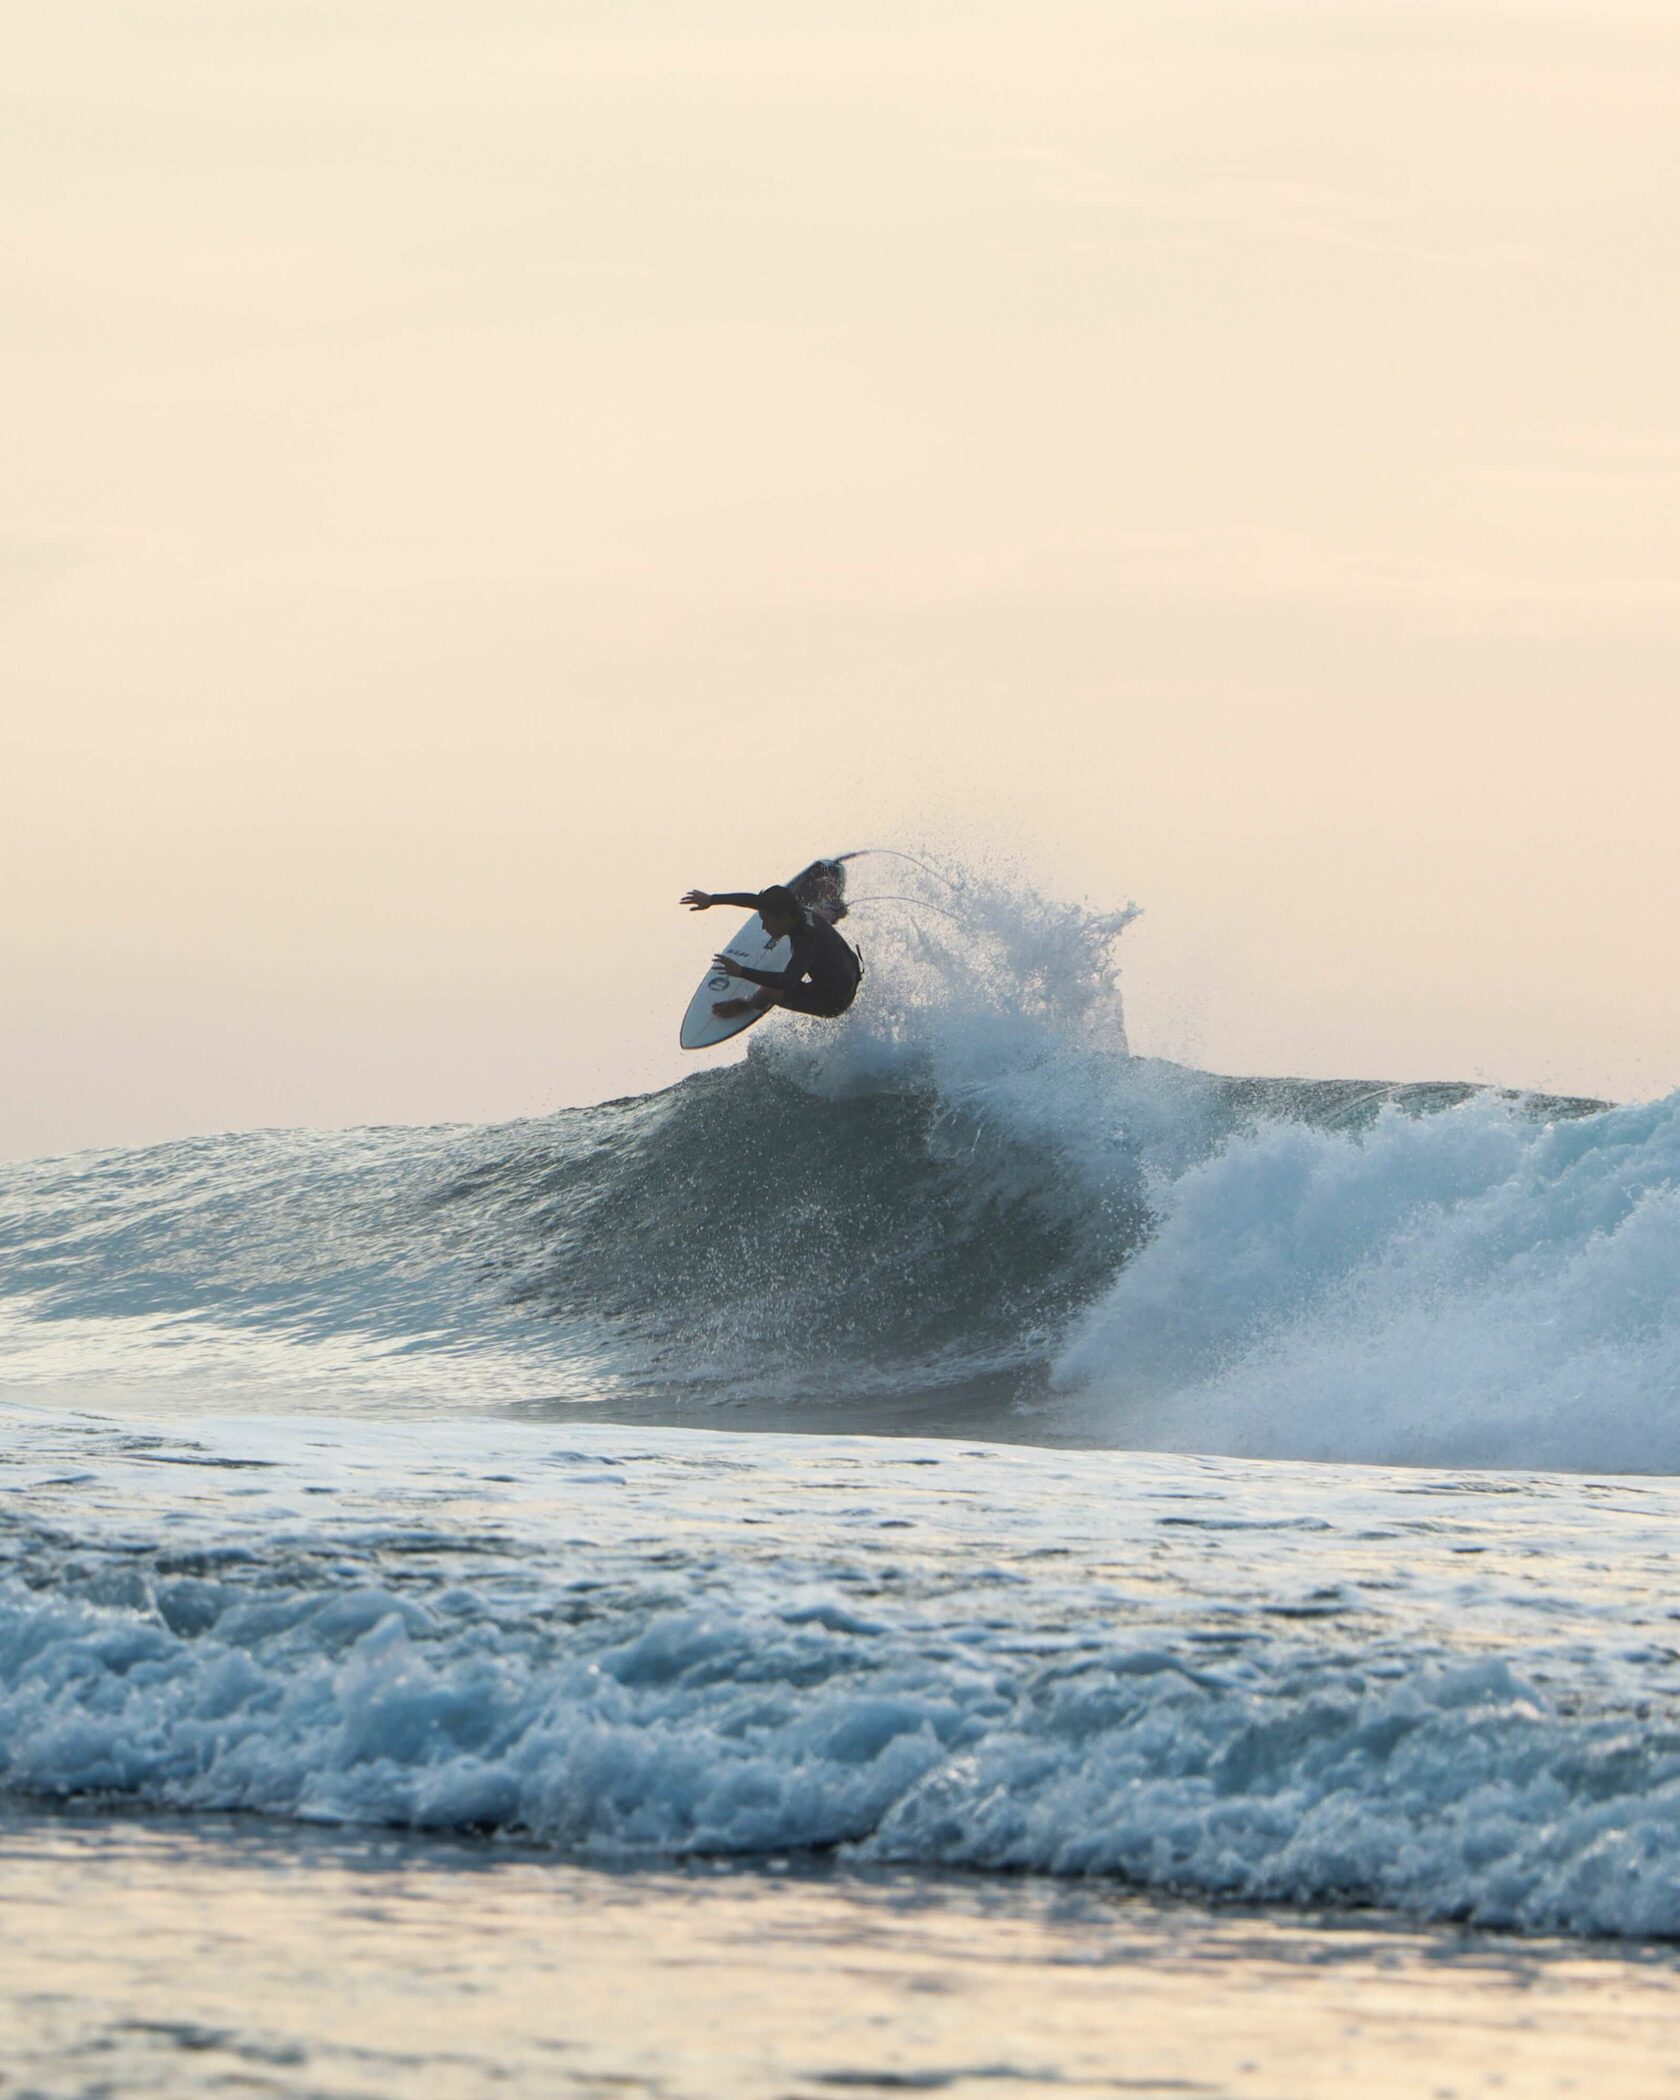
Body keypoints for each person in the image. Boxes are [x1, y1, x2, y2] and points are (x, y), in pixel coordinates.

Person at [680, 882, 863, 1021]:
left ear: (784, 918)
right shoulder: (800, 912)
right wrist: (712, 899)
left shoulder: (805, 942)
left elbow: (786, 981)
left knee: (769, 990)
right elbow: (754, 900)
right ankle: (833, 912)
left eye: (766, 921)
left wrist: (741, 971)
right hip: (851, 971)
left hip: (836, 999)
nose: (763, 927)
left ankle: (745, 1004)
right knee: (819, 914)